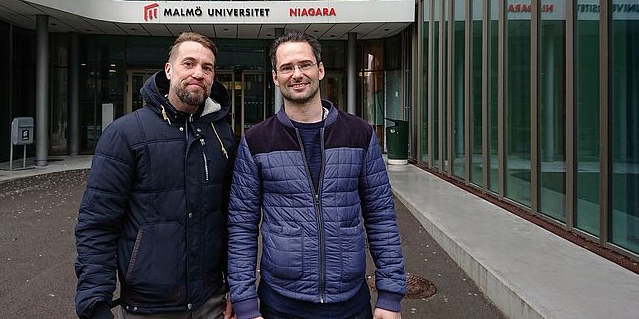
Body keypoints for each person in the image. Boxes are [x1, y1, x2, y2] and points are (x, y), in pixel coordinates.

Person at [227, 31, 406, 319]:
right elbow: (241, 227)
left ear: (320, 70)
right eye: (286, 67)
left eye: (305, 64)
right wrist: (245, 302)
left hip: (349, 302)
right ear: (275, 77)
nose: (297, 74)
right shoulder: (256, 140)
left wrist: (389, 295)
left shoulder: (359, 134)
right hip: (281, 304)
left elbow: (381, 215)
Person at [75, 32, 236, 319]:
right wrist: (95, 301)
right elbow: (97, 224)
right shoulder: (126, 134)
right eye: (189, 63)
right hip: (148, 306)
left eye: (207, 67)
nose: (198, 73)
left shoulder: (221, 134)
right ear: (169, 69)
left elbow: (232, 220)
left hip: (210, 301)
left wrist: (238, 290)